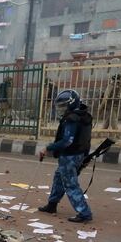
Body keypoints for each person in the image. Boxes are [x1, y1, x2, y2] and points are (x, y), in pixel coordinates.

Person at [38, 89, 94, 223]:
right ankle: (52, 204)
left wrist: (48, 148)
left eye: (63, 106)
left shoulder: (72, 119)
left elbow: (67, 141)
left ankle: (84, 212)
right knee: (58, 178)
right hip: (78, 153)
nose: (61, 109)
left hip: (70, 155)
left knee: (70, 184)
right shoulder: (83, 115)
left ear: (71, 104)